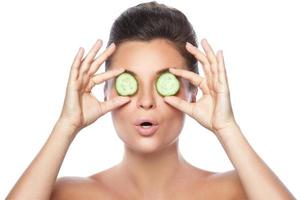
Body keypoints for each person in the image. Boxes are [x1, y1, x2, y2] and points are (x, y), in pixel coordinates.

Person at [6, 1, 295, 199]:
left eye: (163, 83)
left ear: (192, 91)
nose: (146, 101)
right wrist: (65, 125)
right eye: (128, 83)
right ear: (105, 91)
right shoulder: (68, 194)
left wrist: (227, 128)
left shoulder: (235, 190)